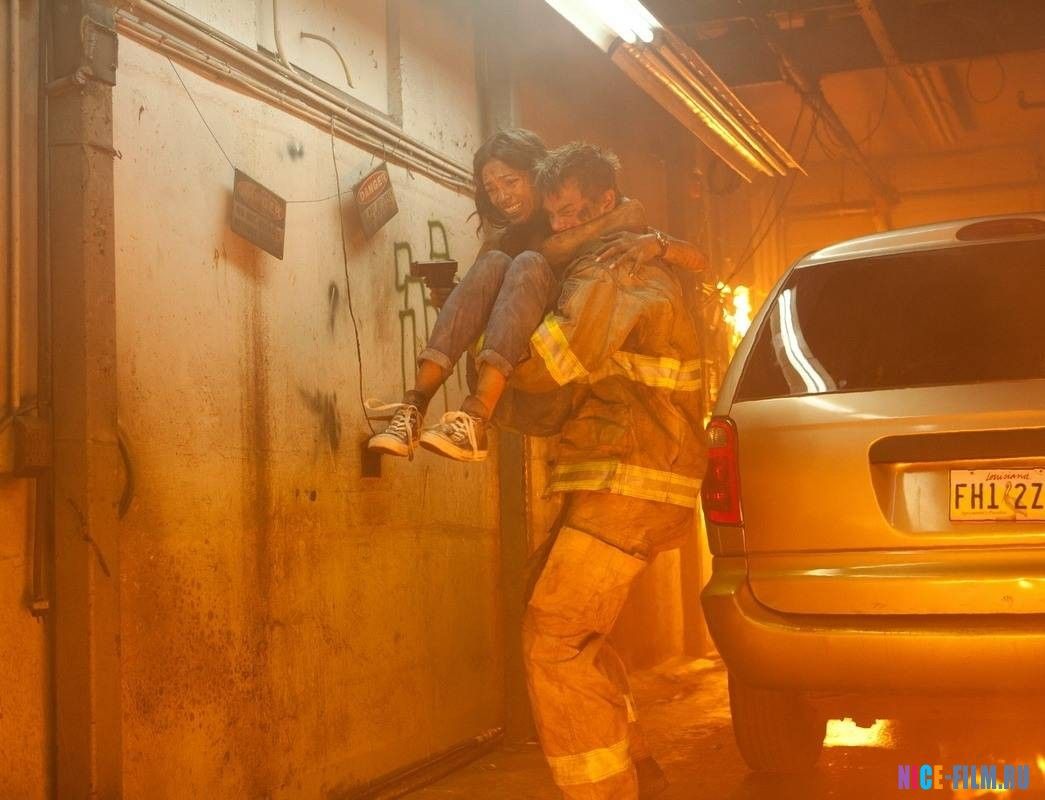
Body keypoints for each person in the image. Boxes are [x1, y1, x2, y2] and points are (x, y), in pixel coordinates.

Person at [504, 143, 708, 800]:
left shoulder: (613, 269)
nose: (561, 224)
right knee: (575, 633)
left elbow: (551, 364)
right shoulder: (620, 259)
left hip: (630, 475)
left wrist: (491, 346)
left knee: (554, 639)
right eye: (554, 214)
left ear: (605, 202)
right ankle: (639, 770)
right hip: (621, 473)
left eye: (572, 211)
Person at [366, 126, 554, 460]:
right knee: (494, 261)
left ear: (537, 173)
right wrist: (453, 298)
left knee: (528, 262)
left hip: (549, 367)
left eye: (511, 182)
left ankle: (476, 418)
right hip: (499, 361)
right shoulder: (501, 239)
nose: (502, 197)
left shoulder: (567, 217)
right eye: (491, 188)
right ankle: (413, 408)